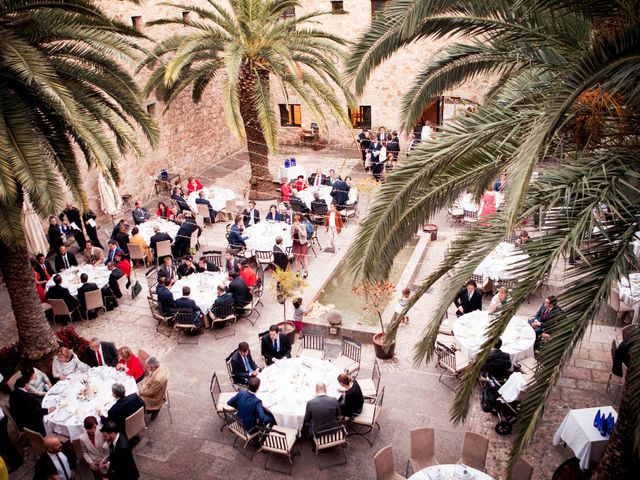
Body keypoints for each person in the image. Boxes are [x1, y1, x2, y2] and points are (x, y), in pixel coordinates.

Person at [0, 405, 23, 473]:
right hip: (1, 418)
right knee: (4, 444)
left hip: (0, 421)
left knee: (5, 443)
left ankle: (17, 461)